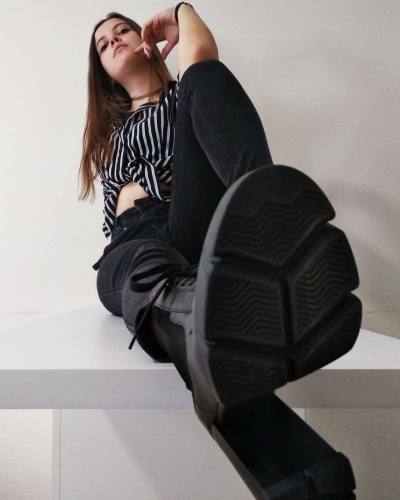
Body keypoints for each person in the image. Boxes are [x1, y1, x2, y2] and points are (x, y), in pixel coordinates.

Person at [78, 5, 361, 498]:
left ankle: (270, 226)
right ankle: (304, 474)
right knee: (161, 284)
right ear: (101, 71)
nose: (114, 40)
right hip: (133, 249)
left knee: (205, 75)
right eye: (102, 44)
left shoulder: (180, 98)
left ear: (146, 42)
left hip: (187, 225)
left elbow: (201, 52)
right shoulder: (111, 136)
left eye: (122, 30)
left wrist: (182, 10)